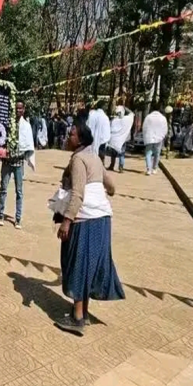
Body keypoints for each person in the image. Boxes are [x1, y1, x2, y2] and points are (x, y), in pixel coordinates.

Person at [55, 120, 124, 335]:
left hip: (85, 219)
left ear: (81, 140)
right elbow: (111, 185)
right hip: (103, 219)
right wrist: (107, 193)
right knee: (90, 263)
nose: (68, 136)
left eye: (72, 134)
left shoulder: (78, 160)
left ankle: (77, 319)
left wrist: (67, 221)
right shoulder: (94, 157)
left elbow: (77, 193)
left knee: (78, 263)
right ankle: (82, 310)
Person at [0, 101, 32, 229]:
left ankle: (18, 218)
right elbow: (0, 138)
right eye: (16, 108)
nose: (18, 111)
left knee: (19, 191)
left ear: (24, 109)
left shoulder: (26, 126)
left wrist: (25, 155)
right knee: (3, 188)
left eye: (20, 108)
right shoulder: (7, 124)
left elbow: (29, 144)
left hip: (19, 163)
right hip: (7, 161)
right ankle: (0, 214)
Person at [106, 106, 134, 172]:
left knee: (113, 154)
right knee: (122, 154)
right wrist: (124, 107)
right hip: (123, 141)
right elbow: (131, 113)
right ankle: (121, 168)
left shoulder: (114, 120)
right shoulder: (127, 119)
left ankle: (112, 166)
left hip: (114, 141)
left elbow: (110, 129)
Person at [142, 106, 168, 175]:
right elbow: (165, 129)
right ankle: (154, 168)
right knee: (157, 154)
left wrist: (145, 137)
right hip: (159, 139)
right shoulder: (163, 118)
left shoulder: (148, 117)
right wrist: (162, 136)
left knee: (148, 154)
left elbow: (144, 128)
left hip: (149, 138)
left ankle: (148, 169)